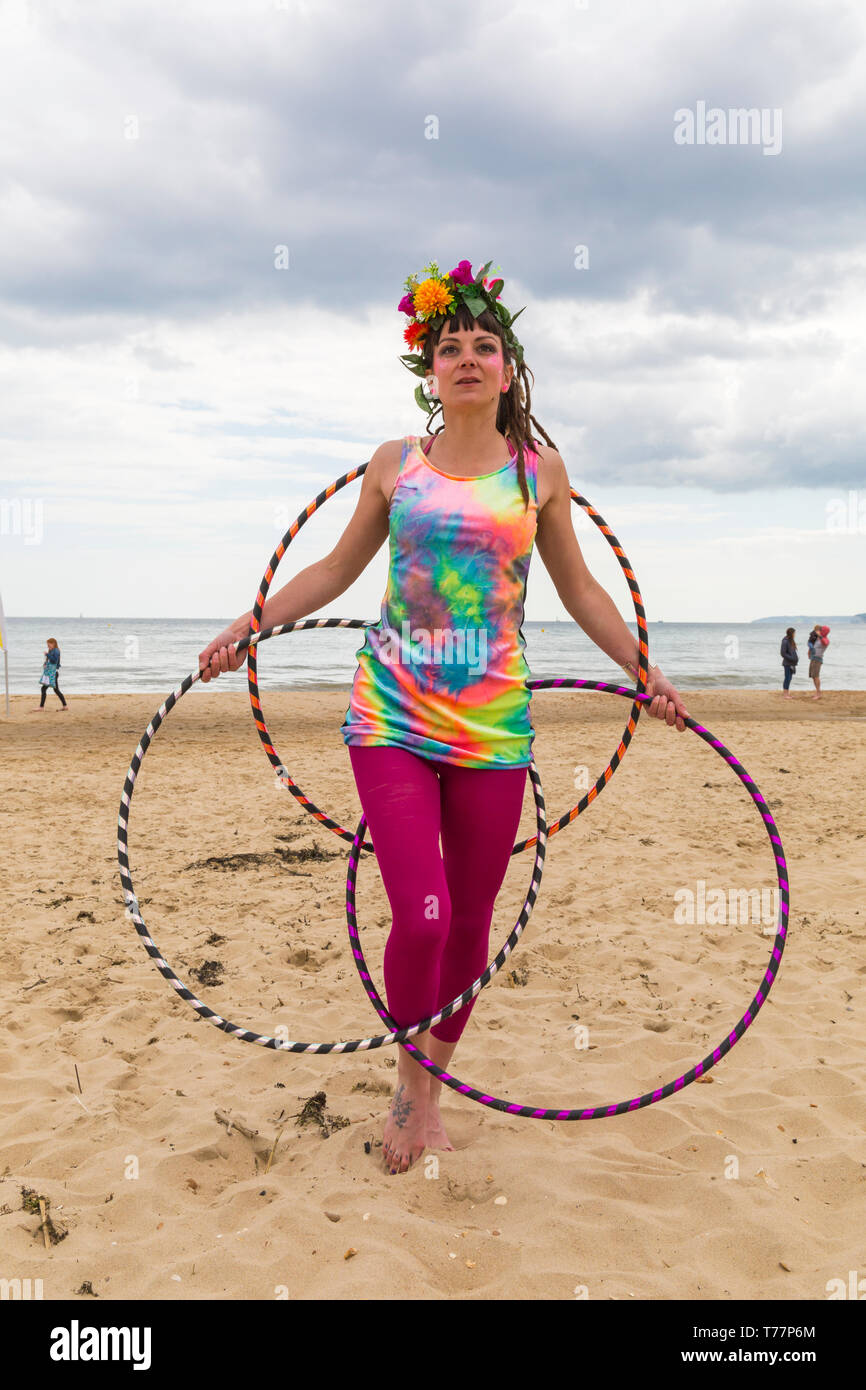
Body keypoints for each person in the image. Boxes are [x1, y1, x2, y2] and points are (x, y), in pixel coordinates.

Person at [197, 257, 689, 1175]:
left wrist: (647, 672)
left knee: (470, 924)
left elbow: (581, 590)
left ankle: (428, 1091)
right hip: (389, 715)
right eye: (450, 345)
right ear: (430, 372)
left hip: (493, 727)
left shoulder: (539, 472)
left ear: (508, 370)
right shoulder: (396, 465)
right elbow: (334, 572)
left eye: (484, 344)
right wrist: (248, 624)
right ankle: (407, 1087)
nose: (467, 356)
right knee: (421, 917)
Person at [36, 637, 67, 710]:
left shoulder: (56, 651)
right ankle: (65, 706)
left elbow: (54, 660)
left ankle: (41, 707)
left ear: (53, 643)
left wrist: (47, 654)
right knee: (56, 690)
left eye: (49, 645)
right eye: (47, 645)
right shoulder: (52, 650)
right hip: (51, 673)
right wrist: (45, 663)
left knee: (44, 689)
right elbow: (50, 661)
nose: (48, 646)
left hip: (52, 674)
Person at [809, 624, 830, 699]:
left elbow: (825, 643)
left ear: (824, 631)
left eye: (821, 630)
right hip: (813, 658)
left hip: (818, 659)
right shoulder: (818, 638)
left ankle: (818, 693)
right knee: (813, 676)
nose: (820, 631)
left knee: (816, 676)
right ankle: (817, 692)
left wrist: (820, 636)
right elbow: (812, 644)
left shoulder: (826, 639)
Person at [780, 627, 798, 698]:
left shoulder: (791, 641)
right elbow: (783, 653)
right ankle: (785, 694)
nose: (795, 634)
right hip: (787, 663)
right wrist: (792, 658)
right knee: (787, 678)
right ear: (791, 633)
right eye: (794, 633)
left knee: (789, 678)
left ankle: (787, 693)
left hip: (792, 663)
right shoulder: (785, 641)